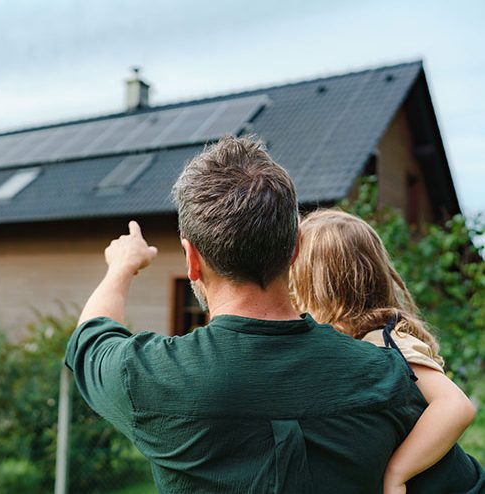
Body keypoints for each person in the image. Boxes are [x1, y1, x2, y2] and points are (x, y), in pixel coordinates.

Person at [65, 135, 483, 493]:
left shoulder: (149, 377)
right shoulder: (385, 378)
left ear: (192, 260)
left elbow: (91, 336)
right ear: (294, 249)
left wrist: (122, 266)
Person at [290, 209, 483, 494]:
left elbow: (456, 406)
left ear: (316, 286)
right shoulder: (353, 342)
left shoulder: (386, 341)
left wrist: (397, 472)